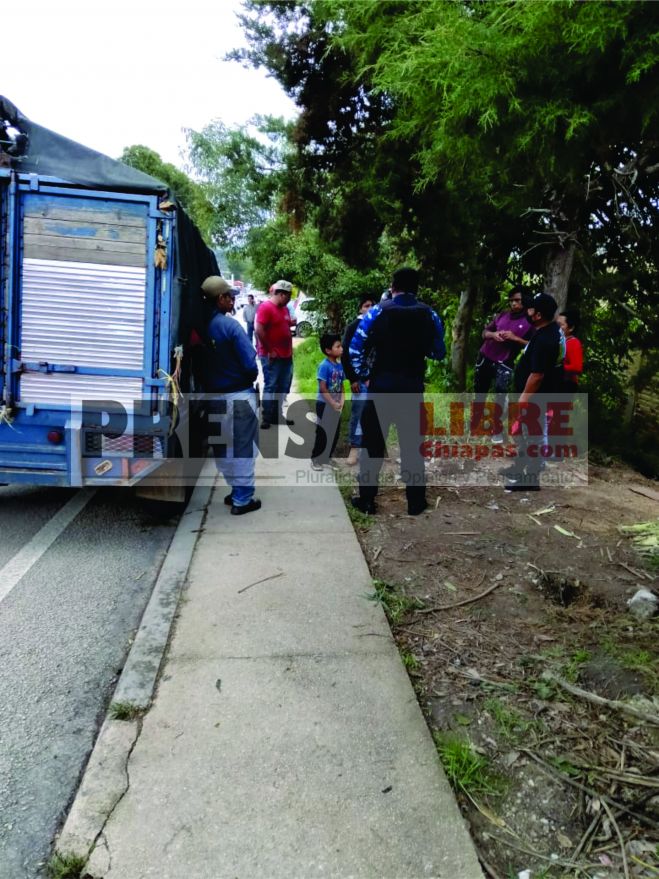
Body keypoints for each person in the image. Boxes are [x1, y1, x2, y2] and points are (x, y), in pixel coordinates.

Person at [349, 266, 446, 516]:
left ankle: (367, 500)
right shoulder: (430, 314)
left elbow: (355, 349)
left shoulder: (377, 311)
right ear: (416, 288)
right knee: (412, 447)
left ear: (393, 287)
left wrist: (365, 375)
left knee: (372, 446)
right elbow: (439, 352)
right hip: (412, 389)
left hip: (381, 388)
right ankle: (415, 502)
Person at [201, 276, 261, 515]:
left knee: (223, 447)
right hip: (239, 395)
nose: (232, 301)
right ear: (220, 299)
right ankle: (242, 500)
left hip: (213, 398)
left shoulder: (200, 327)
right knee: (244, 447)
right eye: (229, 297)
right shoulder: (230, 326)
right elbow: (250, 364)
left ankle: (236, 489)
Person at [502, 291, 564, 492]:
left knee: (533, 437)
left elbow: (537, 375)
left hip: (535, 397)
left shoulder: (546, 339)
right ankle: (519, 468)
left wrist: (523, 399)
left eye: (531, 308)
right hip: (533, 394)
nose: (526, 310)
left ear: (538, 315)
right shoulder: (547, 329)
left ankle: (530, 478)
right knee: (522, 434)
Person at [473, 285, 534, 441]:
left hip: (505, 362)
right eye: (511, 300)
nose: (513, 303)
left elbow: (534, 345)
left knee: (501, 396)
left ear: (525, 300)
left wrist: (515, 338)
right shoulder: (503, 315)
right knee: (480, 392)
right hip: (485, 356)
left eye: (517, 300)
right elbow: (484, 332)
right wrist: (493, 334)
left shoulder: (530, 322)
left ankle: (497, 430)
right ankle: (475, 425)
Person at [255, 280, 294, 429]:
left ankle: (277, 415)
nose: (289, 299)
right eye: (289, 296)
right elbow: (259, 330)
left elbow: (284, 326)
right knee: (271, 385)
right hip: (272, 355)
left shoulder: (284, 309)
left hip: (286, 355)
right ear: (282, 294)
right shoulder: (266, 308)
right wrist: (270, 350)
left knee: (283, 386)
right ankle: (267, 417)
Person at [341, 295, 375, 466]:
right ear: (361, 308)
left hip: (376, 378)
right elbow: (345, 354)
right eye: (366, 305)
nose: (369, 308)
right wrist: (353, 378)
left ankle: (372, 448)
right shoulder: (353, 327)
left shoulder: (379, 325)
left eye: (372, 305)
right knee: (359, 412)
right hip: (360, 379)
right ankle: (354, 447)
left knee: (375, 413)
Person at [311, 333, 345, 470]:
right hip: (324, 404)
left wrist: (341, 401)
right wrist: (332, 403)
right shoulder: (324, 366)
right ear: (328, 350)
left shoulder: (340, 366)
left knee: (334, 432)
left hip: (336, 405)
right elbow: (323, 388)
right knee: (323, 432)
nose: (341, 348)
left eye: (341, 346)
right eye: (338, 346)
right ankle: (316, 459)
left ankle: (327, 458)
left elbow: (342, 386)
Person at [557, 310, 583, 393]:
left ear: (571, 328)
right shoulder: (561, 341)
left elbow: (577, 367)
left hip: (566, 385)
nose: (557, 328)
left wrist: (555, 368)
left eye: (560, 325)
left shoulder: (573, 342)